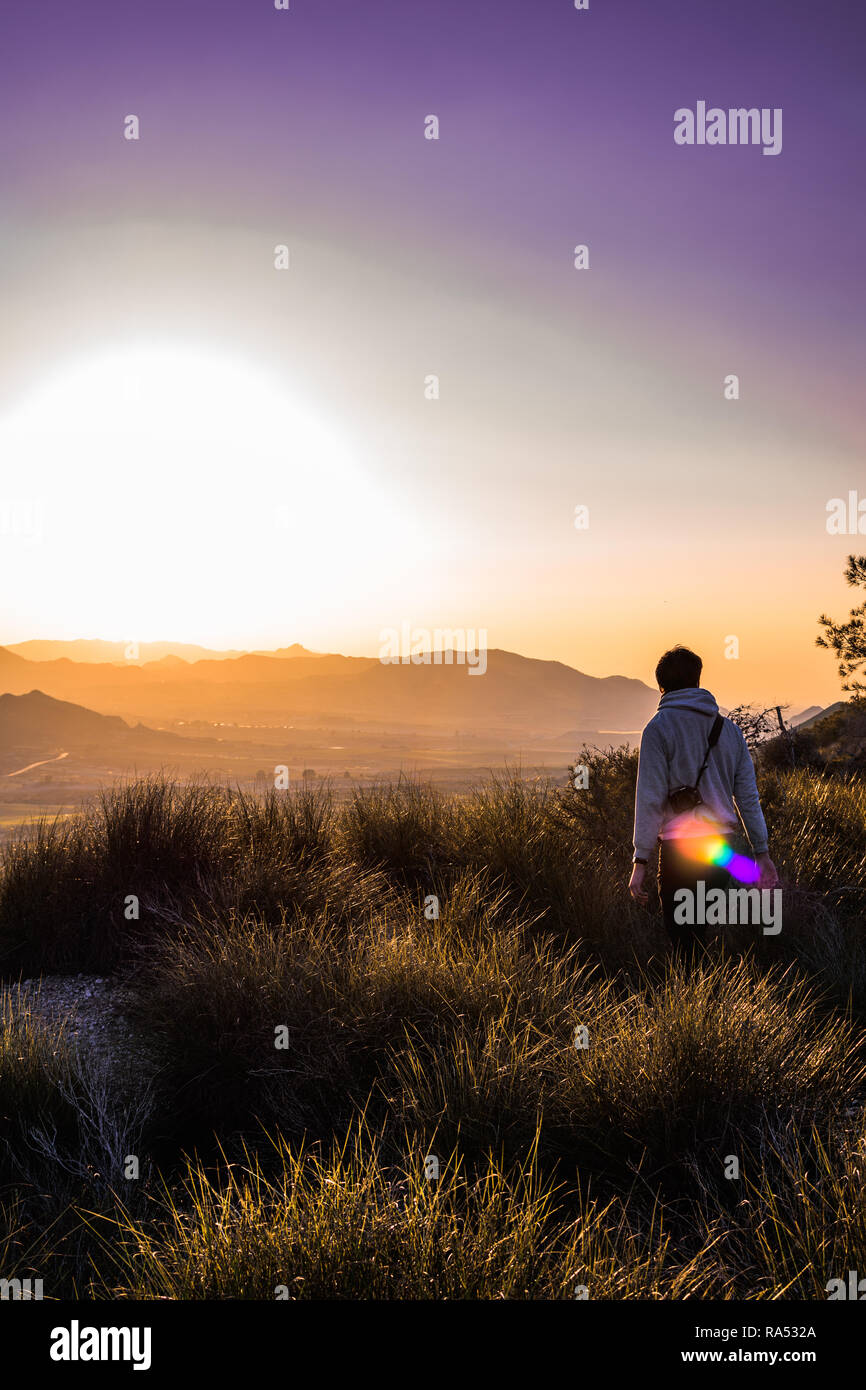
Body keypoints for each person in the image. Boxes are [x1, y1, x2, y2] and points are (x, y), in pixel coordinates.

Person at [628, 645, 778, 956]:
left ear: (661, 686)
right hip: (721, 853)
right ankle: (708, 997)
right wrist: (762, 853)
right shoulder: (730, 731)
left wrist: (640, 861)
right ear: (698, 681)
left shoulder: (658, 729)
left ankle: (697, 1000)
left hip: (679, 850)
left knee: (684, 945)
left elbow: (650, 799)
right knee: (699, 934)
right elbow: (748, 797)